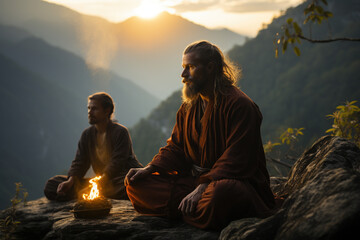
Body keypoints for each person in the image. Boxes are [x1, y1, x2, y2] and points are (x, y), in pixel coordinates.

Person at [125, 40, 276, 230]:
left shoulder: (240, 105)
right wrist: (150, 167)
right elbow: (176, 147)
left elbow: (238, 158)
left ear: (211, 68)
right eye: (183, 67)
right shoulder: (188, 107)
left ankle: (185, 209)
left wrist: (203, 187)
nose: (183, 75)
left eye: (191, 67)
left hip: (230, 182)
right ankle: (195, 211)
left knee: (221, 194)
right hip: (195, 183)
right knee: (136, 183)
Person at [44, 92, 142, 201]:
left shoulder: (120, 132)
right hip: (100, 182)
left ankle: (87, 193)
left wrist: (99, 182)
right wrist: (71, 181)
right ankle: (90, 192)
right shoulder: (87, 135)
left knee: (134, 184)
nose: (90, 112)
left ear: (107, 111)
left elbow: (117, 162)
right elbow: (79, 162)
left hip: (119, 179)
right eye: (88, 108)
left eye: (94, 109)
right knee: (52, 184)